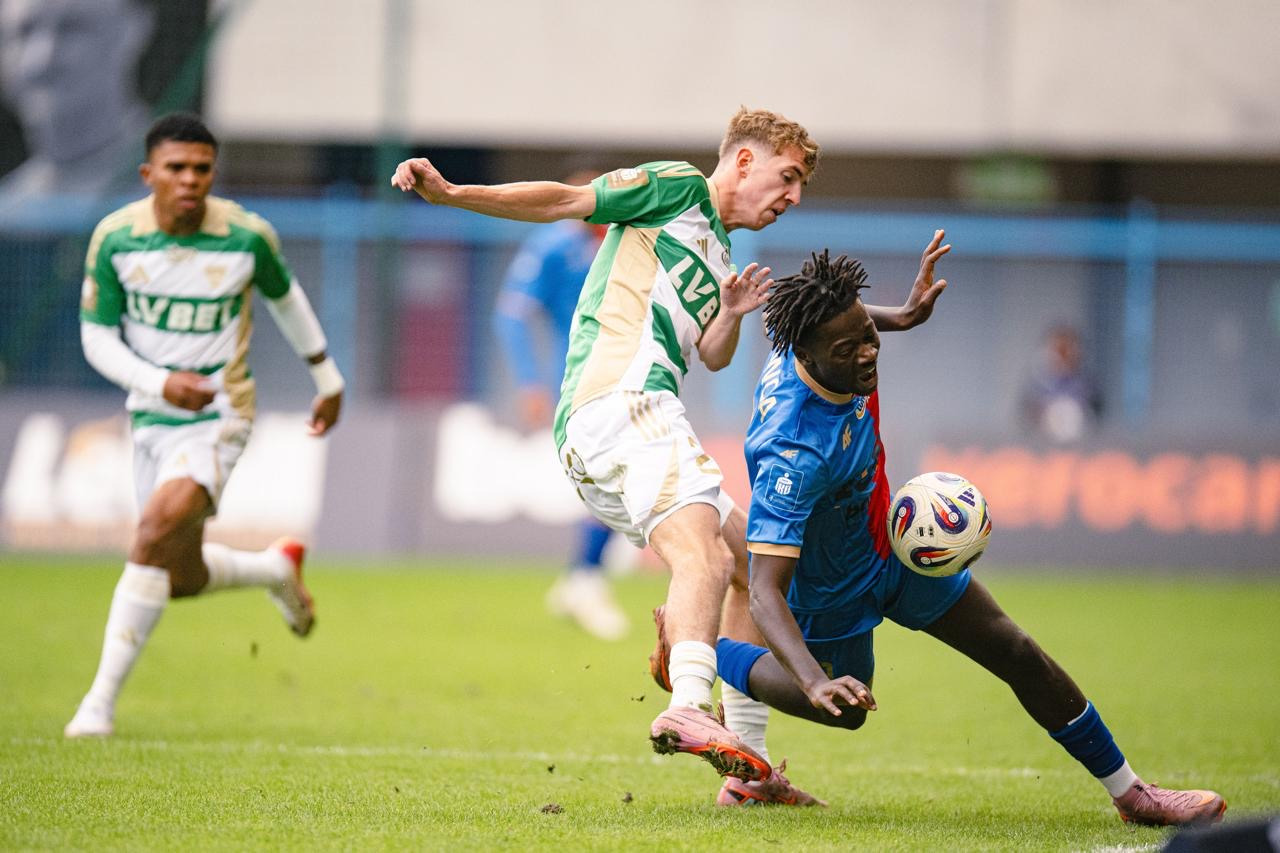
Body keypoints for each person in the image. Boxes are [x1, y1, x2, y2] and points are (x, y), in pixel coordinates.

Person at [393, 108, 944, 789]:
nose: (794, 196)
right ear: (744, 161)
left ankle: (748, 775)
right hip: (621, 402)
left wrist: (737, 314)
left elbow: (712, 355)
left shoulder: (721, 254)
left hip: (628, 424)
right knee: (705, 556)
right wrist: (452, 194)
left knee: (751, 563)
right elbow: (566, 201)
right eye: (788, 176)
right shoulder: (676, 188)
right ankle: (686, 704)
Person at [704, 246, 1226, 825]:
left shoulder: (822, 337)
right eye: (847, 350)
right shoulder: (791, 454)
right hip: (829, 590)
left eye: (867, 337)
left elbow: (841, 318)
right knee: (845, 711)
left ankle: (1133, 794)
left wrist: (901, 316)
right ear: (806, 354)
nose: (867, 355)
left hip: (891, 549)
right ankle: (702, 649)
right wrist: (810, 680)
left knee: (1015, 649)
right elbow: (764, 591)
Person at [64, 113, 346, 738]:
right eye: (176, 168)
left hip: (221, 415)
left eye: (202, 169)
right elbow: (96, 337)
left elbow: (286, 299)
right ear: (149, 174)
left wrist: (327, 379)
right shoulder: (116, 239)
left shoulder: (246, 236)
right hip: (150, 416)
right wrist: (159, 383)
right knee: (176, 576)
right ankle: (274, 570)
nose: (190, 179)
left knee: (152, 532)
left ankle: (97, 706)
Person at [491, 167, 629, 641]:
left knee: (619, 479)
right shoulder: (552, 246)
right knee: (612, 477)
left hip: (630, 376)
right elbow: (512, 314)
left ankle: (581, 580)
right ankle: (585, 580)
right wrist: (529, 382)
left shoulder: (627, 238)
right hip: (582, 382)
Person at [0, 0, 153, 199]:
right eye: (24, 32)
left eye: (72, 28)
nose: (40, 62)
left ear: (132, 32)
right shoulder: (11, 202)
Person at [1020, 324, 1103, 442]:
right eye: (1059, 350)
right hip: (1043, 446)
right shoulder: (1035, 388)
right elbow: (1027, 422)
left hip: (1082, 445)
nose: (1063, 356)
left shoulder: (1089, 387)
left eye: (1068, 350)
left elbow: (1098, 420)